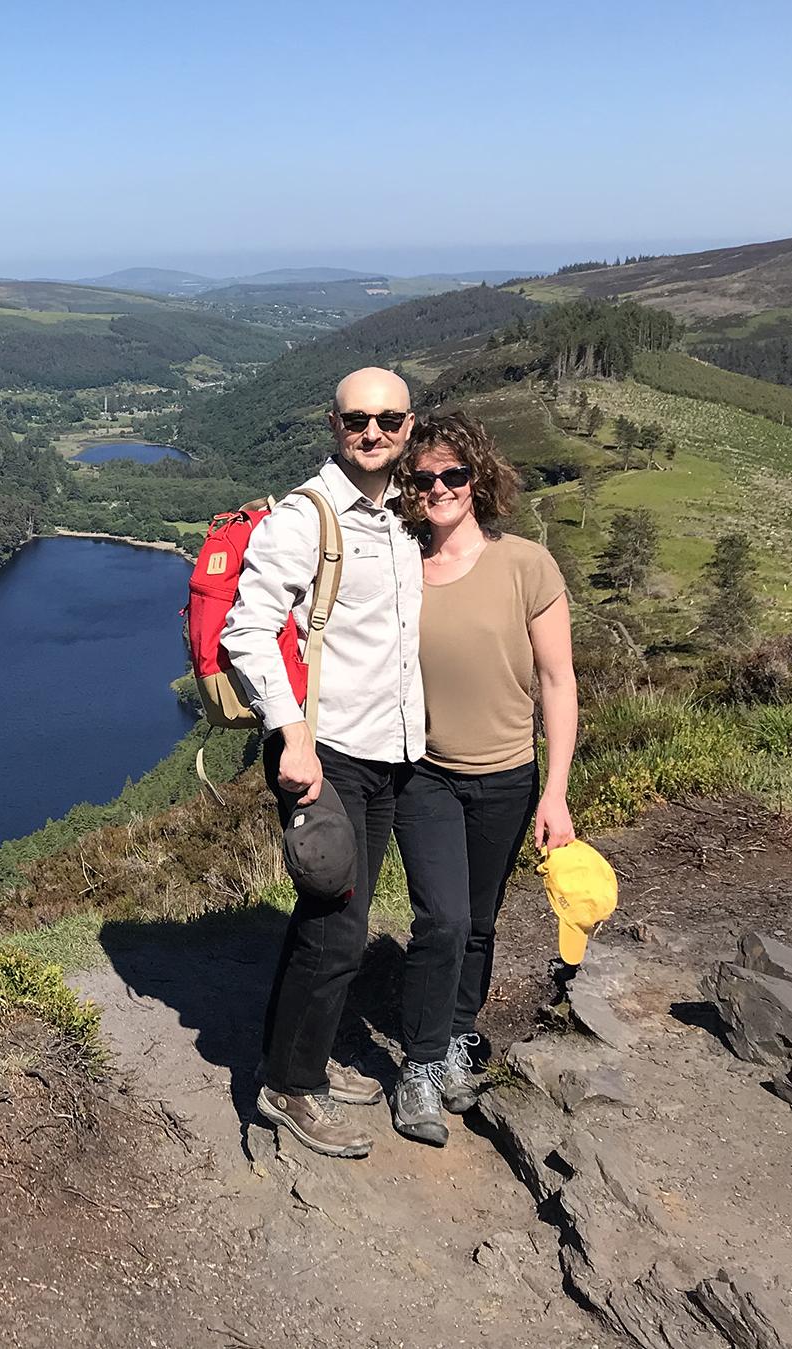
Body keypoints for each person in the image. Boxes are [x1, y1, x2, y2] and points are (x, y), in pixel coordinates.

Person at [221, 366, 425, 1159]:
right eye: (355, 420)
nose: (371, 432)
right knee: (338, 927)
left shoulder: (401, 513)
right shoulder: (304, 518)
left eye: (388, 419)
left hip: (387, 749)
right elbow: (246, 630)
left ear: (408, 424)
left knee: (331, 918)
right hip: (325, 750)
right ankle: (288, 1088)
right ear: (331, 425)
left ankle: (296, 1061)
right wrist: (291, 730)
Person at [387, 410, 578, 1146]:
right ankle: (420, 1064)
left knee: (478, 921)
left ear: (477, 478)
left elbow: (557, 683)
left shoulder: (526, 564)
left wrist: (555, 792)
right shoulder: (400, 562)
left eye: (452, 474)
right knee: (442, 919)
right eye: (423, 476)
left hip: (507, 775)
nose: (437, 487)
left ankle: (457, 1037)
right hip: (423, 772)